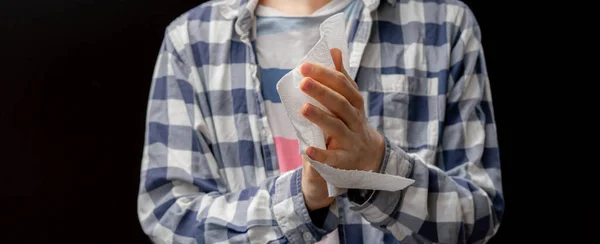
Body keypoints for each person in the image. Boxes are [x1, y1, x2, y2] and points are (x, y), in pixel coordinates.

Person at [136, 0, 504, 242]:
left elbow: (480, 214)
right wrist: (302, 198)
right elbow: (169, 216)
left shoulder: (443, 23)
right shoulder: (192, 41)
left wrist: (376, 164)